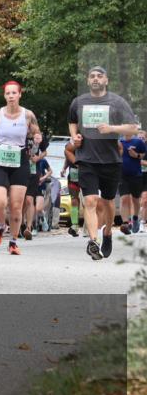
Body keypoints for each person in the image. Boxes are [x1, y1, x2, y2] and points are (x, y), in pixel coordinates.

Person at [67, 66, 139, 260]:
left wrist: (111, 128)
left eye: (100, 76)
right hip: (87, 159)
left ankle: (107, 233)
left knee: (107, 202)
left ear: (106, 80)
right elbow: (72, 121)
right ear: (88, 81)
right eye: (92, 76)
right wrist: (75, 137)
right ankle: (93, 240)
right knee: (90, 201)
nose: (96, 79)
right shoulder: (79, 102)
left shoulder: (117, 102)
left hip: (111, 160)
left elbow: (133, 128)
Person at [0, 81, 40, 255]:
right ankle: (1, 226)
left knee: (16, 207)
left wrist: (36, 144)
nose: (11, 96)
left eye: (14, 93)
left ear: (20, 94)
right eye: (8, 93)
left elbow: (36, 136)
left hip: (19, 159)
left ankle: (13, 242)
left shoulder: (28, 115)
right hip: (0, 157)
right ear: (5, 96)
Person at [119, 131, 147, 235]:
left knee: (135, 199)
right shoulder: (119, 142)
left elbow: (143, 155)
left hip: (136, 175)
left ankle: (135, 218)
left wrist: (136, 155)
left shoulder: (139, 142)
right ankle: (125, 223)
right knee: (124, 199)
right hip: (122, 175)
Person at [61, 141, 84, 237]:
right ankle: (74, 225)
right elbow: (67, 157)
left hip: (86, 174)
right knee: (74, 201)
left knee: (87, 202)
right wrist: (64, 168)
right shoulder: (69, 144)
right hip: (73, 176)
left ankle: (89, 226)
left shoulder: (87, 143)